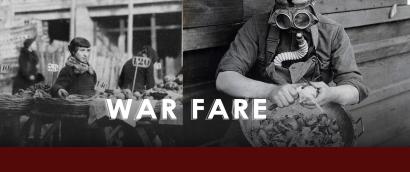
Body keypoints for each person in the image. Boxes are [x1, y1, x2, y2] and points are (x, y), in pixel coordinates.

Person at [215, 0, 369, 146]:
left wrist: (330, 93)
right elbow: (224, 79)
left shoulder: (333, 32)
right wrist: (270, 90)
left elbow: (356, 89)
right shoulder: (256, 27)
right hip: (263, 117)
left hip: (314, 116)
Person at [50, 37, 99, 146]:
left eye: (87, 50)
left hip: (90, 114)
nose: (86, 54)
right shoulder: (68, 70)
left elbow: (92, 87)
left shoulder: (91, 71)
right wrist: (60, 89)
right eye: (82, 50)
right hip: (74, 115)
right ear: (73, 52)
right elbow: (57, 85)